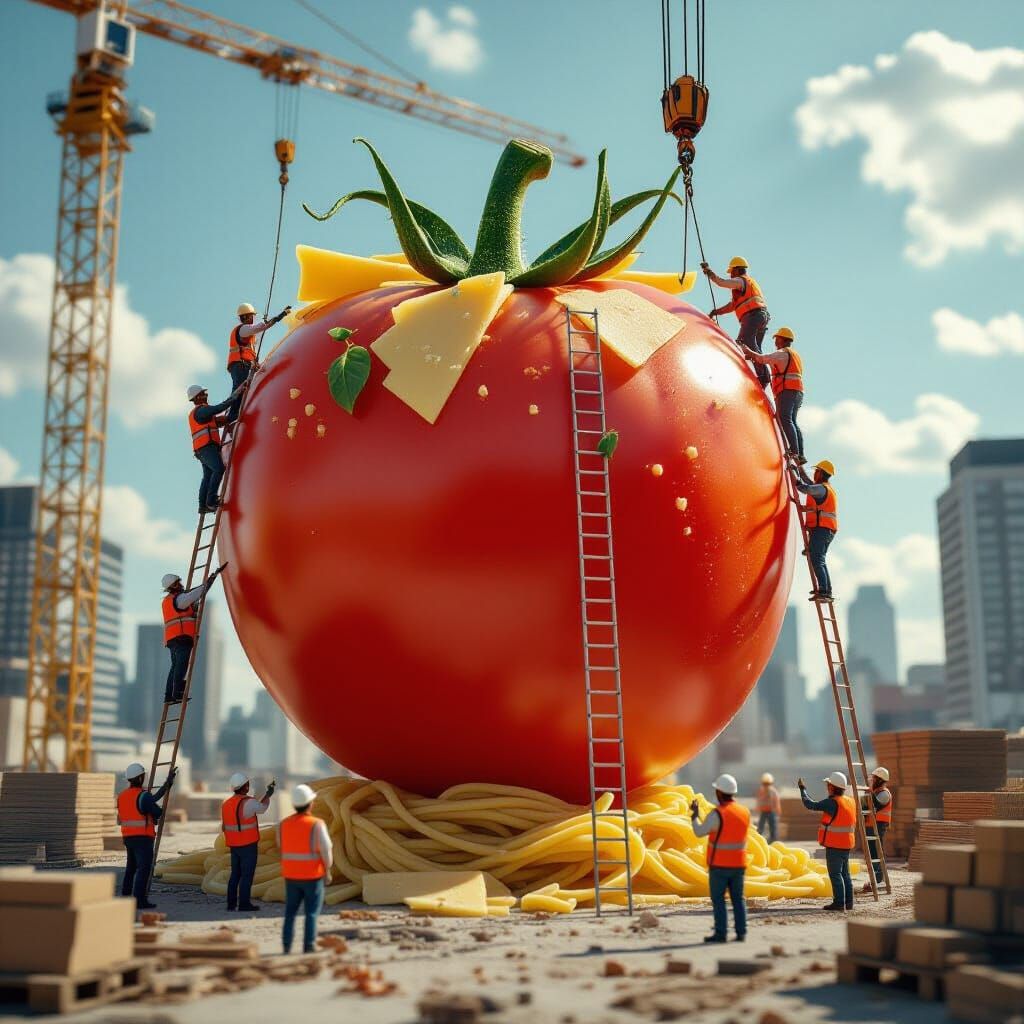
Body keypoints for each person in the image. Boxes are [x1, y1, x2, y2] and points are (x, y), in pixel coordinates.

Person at [690, 773, 749, 943]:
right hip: (739, 864)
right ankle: (741, 933)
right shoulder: (744, 812)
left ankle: (721, 934)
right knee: (738, 900)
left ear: (719, 792)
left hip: (720, 866)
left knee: (719, 901)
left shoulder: (717, 814)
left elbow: (699, 832)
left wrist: (694, 815)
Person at [278, 783, 332, 955]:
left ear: (293, 804)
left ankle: (286, 946)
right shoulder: (317, 824)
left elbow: (281, 846)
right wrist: (328, 870)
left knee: (290, 913)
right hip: (312, 877)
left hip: (291, 876)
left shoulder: (283, 824)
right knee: (311, 913)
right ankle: (308, 946)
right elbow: (326, 849)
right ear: (311, 804)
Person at [701, 256, 771, 388]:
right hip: (760, 317)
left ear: (738, 270)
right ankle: (760, 376)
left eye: (732, 271)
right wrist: (716, 312)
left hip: (753, 316)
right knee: (753, 349)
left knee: (745, 342)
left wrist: (710, 272)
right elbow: (732, 306)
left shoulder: (740, 281)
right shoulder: (746, 286)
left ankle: (764, 376)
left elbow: (721, 282)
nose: (731, 274)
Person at [161, 565, 226, 703]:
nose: (181, 584)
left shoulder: (169, 601)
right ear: (173, 586)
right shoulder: (180, 599)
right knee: (181, 666)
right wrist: (212, 578)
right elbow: (198, 592)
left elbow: (190, 602)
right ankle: (177, 693)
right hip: (181, 637)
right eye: (178, 583)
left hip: (173, 639)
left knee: (175, 667)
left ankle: (169, 695)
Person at [118, 761, 177, 909]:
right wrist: (154, 815)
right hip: (142, 838)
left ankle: (125, 896)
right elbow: (157, 811)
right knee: (144, 869)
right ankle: (139, 900)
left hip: (128, 837)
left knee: (131, 868)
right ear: (139, 778)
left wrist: (166, 784)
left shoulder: (123, 796)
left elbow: (150, 800)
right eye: (143, 776)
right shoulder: (143, 795)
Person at [742, 326, 805, 463]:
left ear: (783, 339)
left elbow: (763, 359)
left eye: (777, 338)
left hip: (787, 390)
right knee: (791, 421)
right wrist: (752, 356)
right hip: (796, 391)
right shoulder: (792, 355)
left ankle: (794, 451)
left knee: (785, 419)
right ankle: (800, 454)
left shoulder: (782, 353)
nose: (775, 341)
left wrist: (748, 351)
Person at [799, 771, 857, 912]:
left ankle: (839, 904)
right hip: (846, 843)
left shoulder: (832, 803)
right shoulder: (849, 801)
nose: (827, 786)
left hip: (835, 845)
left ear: (832, 787)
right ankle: (848, 904)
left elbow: (810, 804)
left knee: (835, 874)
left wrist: (802, 789)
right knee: (845, 874)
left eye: (828, 784)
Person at [227, 302, 291, 421]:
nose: (253, 318)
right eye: (251, 316)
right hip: (240, 364)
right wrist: (281, 315)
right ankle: (232, 415)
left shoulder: (246, 332)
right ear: (246, 317)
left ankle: (235, 413)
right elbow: (261, 327)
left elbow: (259, 332)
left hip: (241, 364)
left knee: (242, 389)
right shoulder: (243, 329)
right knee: (240, 389)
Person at [222, 772, 276, 912]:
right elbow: (262, 808)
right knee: (246, 876)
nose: (249, 786)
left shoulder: (227, 804)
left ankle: (231, 904)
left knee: (235, 875)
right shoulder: (248, 802)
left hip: (234, 845)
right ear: (245, 786)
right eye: (248, 784)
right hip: (248, 845)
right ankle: (244, 904)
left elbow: (225, 826)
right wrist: (268, 795)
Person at [188, 383, 239, 514]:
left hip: (203, 449)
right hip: (206, 448)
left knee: (208, 475)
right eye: (203, 394)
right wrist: (234, 397)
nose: (206, 395)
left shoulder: (201, 414)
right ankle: (210, 501)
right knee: (219, 468)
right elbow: (218, 408)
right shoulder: (201, 410)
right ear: (197, 397)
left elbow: (216, 422)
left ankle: (203, 505)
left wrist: (228, 419)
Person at [793, 459, 838, 602]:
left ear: (821, 473)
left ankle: (824, 591)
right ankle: (826, 590)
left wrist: (794, 476)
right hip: (824, 529)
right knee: (819, 558)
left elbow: (805, 488)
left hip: (823, 529)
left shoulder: (821, 489)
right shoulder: (823, 488)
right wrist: (799, 469)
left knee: (817, 559)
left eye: (817, 471)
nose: (814, 473)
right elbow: (808, 482)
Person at [861, 766, 892, 892]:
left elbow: (874, 805)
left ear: (879, 780)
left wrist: (868, 792)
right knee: (871, 853)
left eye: (874, 779)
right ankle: (875, 880)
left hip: (878, 825)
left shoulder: (884, 793)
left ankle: (878, 881)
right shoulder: (876, 792)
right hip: (871, 825)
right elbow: (864, 807)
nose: (871, 780)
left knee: (876, 853)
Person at [755, 772, 781, 844]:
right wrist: (757, 808)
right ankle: (759, 840)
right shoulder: (761, 791)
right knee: (760, 827)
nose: (766, 786)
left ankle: (773, 841)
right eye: (765, 784)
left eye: (767, 784)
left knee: (773, 827)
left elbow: (776, 801)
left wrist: (778, 810)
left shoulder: (773, 791)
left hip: (771, 811)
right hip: (763, 811)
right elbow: (758, 800)